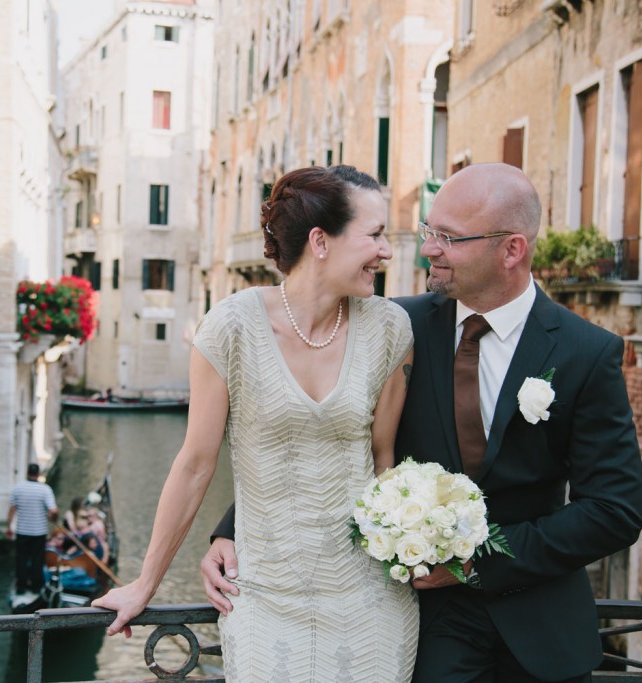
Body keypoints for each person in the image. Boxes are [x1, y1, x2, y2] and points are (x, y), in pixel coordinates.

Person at [200, 163, 642, 683]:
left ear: (511, 250)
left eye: (448, 238)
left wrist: (473, 562)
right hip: (427, 630)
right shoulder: (394, 325)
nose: (428, 248)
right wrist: (230, 533)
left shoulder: (587, 353)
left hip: (543, 630)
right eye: (430, 230)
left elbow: (614, 510)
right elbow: (325, 439)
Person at [91, 165, 418, 681]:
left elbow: (384, 465)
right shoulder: (229, 328)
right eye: (375, 235)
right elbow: (196, 465)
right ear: (321, 241)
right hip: (265, 598)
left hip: (370, 600)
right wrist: (144, 584)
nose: (388, 250)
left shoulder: (391, 328)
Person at [6, 463, 58, 597]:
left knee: (21, 559)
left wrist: (8, 527)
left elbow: (12, 509)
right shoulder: (45, 489)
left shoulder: (18, 488)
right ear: (39, 474)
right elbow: (53, 510)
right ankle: (36, 587)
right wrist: (53, 517)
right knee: (37, 559)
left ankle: (21, 587)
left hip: (22, 531)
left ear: (27, 472)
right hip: (39, 532)